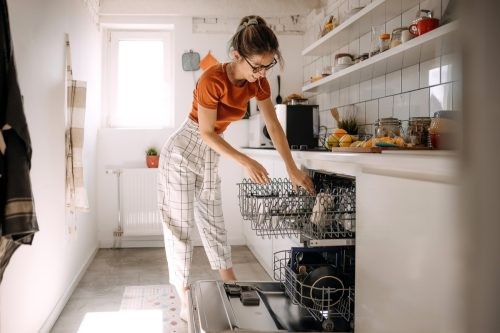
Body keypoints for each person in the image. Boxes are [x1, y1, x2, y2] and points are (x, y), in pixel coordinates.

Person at [157, 15, 315, 321]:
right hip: (182, 151)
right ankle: (185, 296)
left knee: (214, 220)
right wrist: (245, 159)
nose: (261, 73)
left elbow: (273, 124)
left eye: (267, 66)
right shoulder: (212, 79)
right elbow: (205, 132)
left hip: (211, 153)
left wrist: (291, 167)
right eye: (256, 66)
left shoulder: (258, 82)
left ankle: (232, 287)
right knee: (179, 229)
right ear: (236, 56)